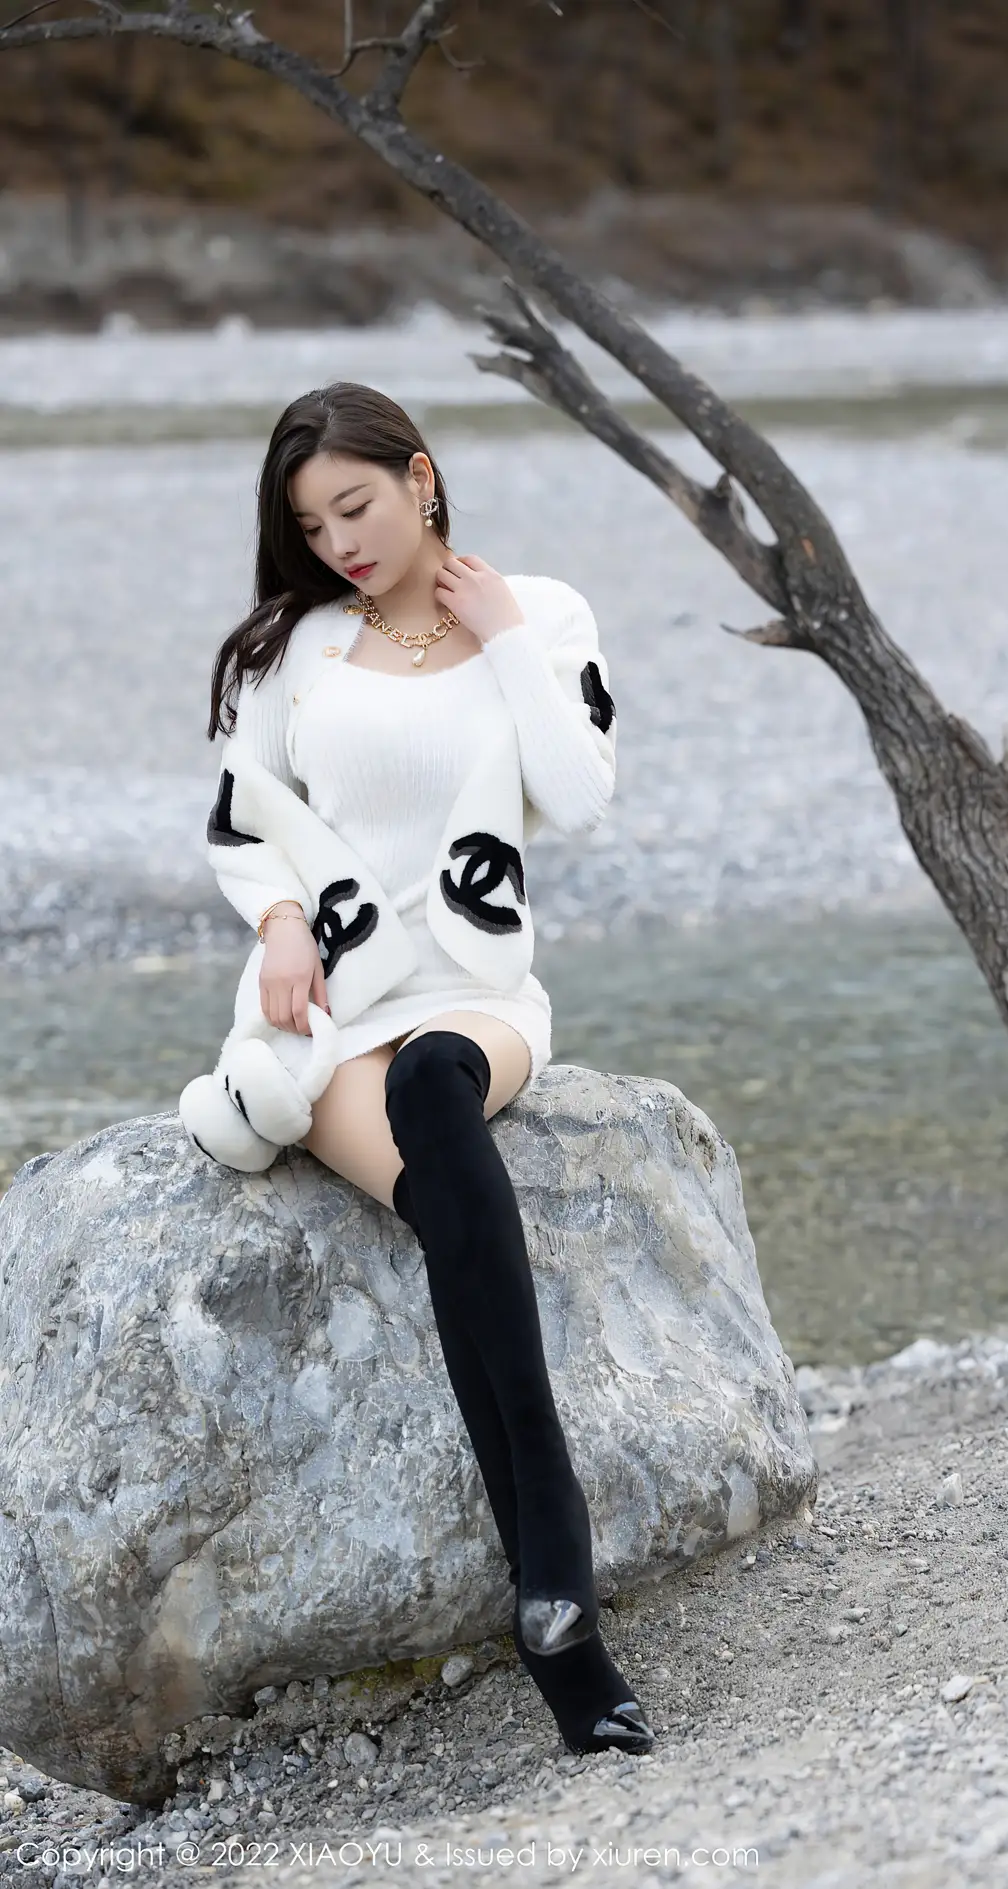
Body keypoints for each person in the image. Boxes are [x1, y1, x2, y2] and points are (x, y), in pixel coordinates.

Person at [205, 379, 653, 1758]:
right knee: (456, 1213)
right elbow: (240, 820)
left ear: (421, 477)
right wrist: (281, 923)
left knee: (434, 1088)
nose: (339, 542)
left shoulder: (543, 615)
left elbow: (581, 797)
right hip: (335, 1010)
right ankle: (561, 1613)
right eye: (311, 525)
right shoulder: (291, 651)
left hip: (480, 996)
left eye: (356, 506)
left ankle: (554, 1578)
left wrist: (503, 636)